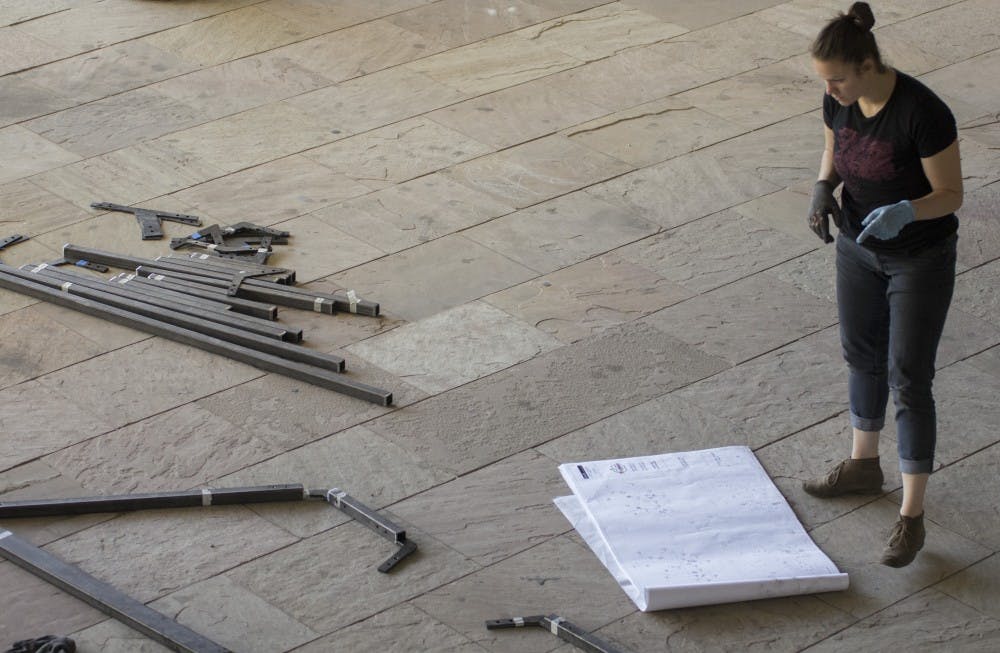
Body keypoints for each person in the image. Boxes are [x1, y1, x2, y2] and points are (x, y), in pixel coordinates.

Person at [803, 2, 963, 568]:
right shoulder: (838, 99)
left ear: (868, 65)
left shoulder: (923, 113)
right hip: (857, 247)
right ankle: (863, 464)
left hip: (918, 258)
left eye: (838, 79)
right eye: (825, 81)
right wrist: (823, 187)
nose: (830, 91)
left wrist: (907, 211)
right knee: (861, 356)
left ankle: (911, 516)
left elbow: (951, 194)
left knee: (909, 378)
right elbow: (833, 147)